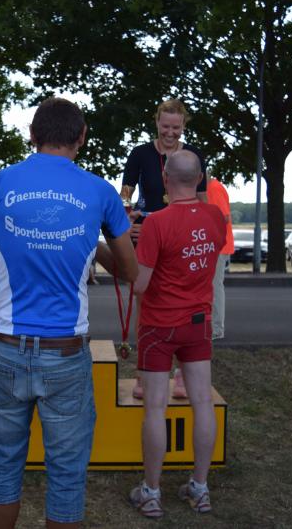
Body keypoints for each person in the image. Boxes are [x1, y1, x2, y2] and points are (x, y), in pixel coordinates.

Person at [0, 97, 138, 529]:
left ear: (32, 135)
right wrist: (88, 242)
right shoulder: (100, 191)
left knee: (3, 467)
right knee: (67, 477)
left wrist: (12, 240)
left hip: (6, 348)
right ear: (82, 137)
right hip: (66, 355)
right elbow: (131, 272)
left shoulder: (0, 183)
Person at [127, 150, 225, 519]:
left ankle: (151, 492)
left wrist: (125, 250)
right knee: (202, 402)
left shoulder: (157, 223)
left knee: (155, 407)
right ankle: (200, 487)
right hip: (198, 322)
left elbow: (140, 284)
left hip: (159, 325)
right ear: (200, 179)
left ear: (165, 179)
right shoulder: (215, 217)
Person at [121, 99, 208, 399]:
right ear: (156, 122)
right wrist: (127, 219)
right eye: (165, 126)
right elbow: (125, 195)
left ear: (184, 126)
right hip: (146, 232)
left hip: (182, 236)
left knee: (185, 305)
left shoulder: (194, 155)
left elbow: (203, 201)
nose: (170, 133)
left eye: (176, 127)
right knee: (145, 305)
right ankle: (144, 374)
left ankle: (182, 374)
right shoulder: (140, 154)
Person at [206, 176, 234, 340]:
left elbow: (224, 217)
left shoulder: (214, 189)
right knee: (211, 286)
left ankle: (216, 329)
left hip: (218, 246)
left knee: (215, 286)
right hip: (214, 246)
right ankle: (212, 327)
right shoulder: (211, 188)